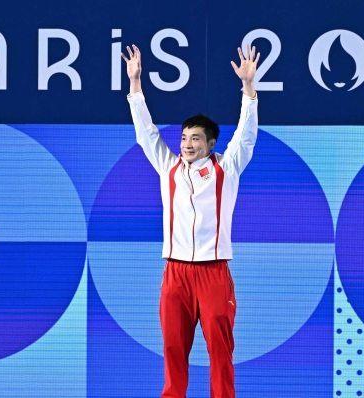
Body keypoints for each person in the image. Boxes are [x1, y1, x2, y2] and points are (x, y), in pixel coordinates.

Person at [121, 44, 259, 397]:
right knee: (173, 351)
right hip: (175, 274)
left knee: (220, 351)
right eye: (183, 138)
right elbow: (145, 133)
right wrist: (135, 85)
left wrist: (249, 90)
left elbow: (245, 136)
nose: (186, 144)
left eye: (195, 139)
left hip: (213, 273)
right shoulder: (168, 168)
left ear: (211, 144)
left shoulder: (226, 169)